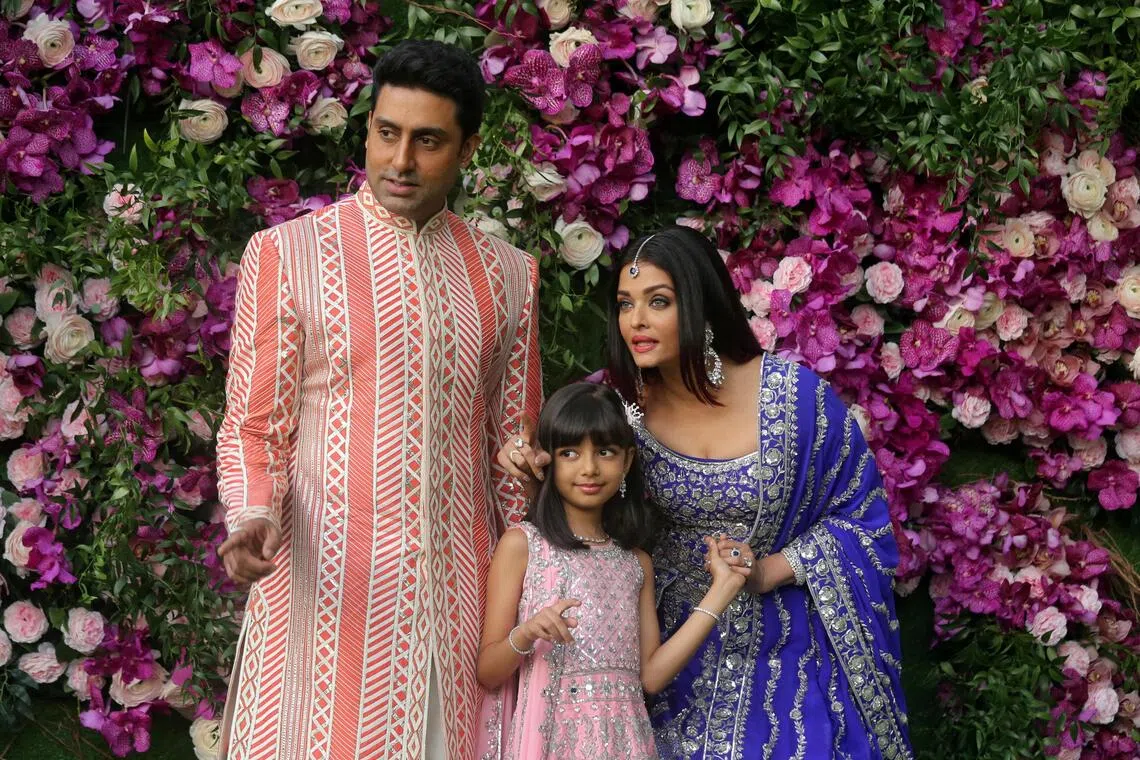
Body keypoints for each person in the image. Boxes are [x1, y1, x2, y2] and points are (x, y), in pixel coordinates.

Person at [215, 40, 542, 760]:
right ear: (366, 130)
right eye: (387, 134)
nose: (400, 161)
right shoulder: (286, 255)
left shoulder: (510, 275)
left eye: (427, 142)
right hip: (327, 602)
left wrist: (531, 584)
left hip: (461, 607)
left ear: (467, 148)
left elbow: (513, 448)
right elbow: (254, 426)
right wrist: (253, 515)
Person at [501, 226, 913, 760]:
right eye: (626, 304)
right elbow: (576, 480)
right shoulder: (617, 403)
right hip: (664, 636)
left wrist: (767, 570)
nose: (637, 322)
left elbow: (862, 517)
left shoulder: (795, 399)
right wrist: (534, 469)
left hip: (782, 636)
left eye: (659, 302)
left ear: (698, 304)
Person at [476, 383, 746, 759]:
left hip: (627, 743)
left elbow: (651, 677)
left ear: (628, 461)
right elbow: (488, 671)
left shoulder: (635, 562)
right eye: (570, 452)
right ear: (547, 460)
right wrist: (526, 633)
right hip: (553, 741)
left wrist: (721, 590)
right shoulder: (524, 545)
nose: (589, 468)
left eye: (605, 452)